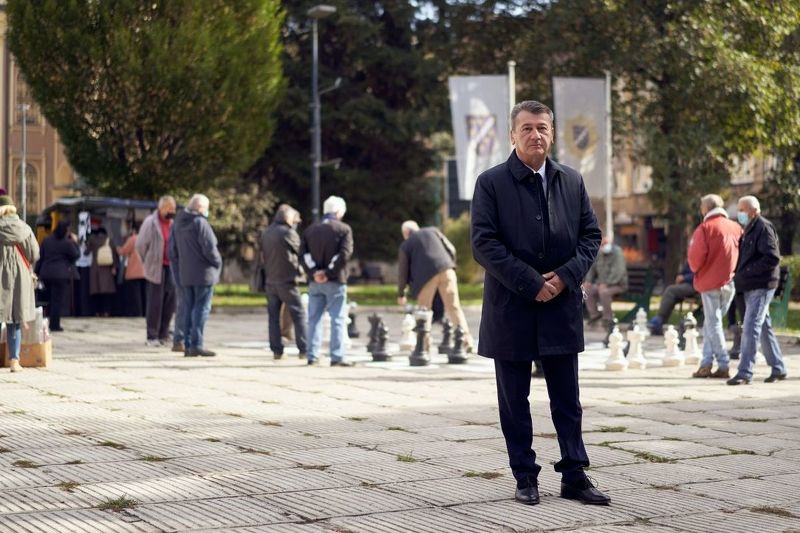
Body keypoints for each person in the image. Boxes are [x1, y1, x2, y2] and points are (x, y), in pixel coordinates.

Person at [471, 100, 608, 506]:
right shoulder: (491, 182)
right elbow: (483, 243)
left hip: (560, 306)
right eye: (527, 128)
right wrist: (530, 282)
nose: (536, 135)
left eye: (543, 128)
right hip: (511, 306)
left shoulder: (572, 180)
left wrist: (565, 277)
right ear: (513, 135)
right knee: (514, 400)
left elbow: (591, 236)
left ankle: (575, 474)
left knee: (567, 397)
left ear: (552, 132)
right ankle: (525, 476)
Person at [728, 195, 787, 385]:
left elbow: (772, 257)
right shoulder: (749, 229)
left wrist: (747, 272)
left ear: (753, 210)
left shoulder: (763, 227)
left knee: (751, 325)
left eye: (742, 210)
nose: (740, 214)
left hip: (761, 285)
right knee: (763, 327)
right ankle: (778, 368)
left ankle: (745, 372)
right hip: (751, 284)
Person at [687, 194, 742, 379]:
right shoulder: (736, 227)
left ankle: (723, 363)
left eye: (702, 206)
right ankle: (705, 364)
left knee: (714, 324)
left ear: (707, 208)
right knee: (712, 324)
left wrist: (697, 271)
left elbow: (695, 259)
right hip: (729, 282)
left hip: (710, 282)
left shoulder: (705, 228)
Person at [397, 220, 473, 351]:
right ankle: (466, 341)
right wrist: (450, 265)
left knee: (424, 311)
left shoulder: (406, 244)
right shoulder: (433, 231)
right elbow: (451, 249)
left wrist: (401, 293)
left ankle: (424, 346)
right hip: (447, 269)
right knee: (454, 307)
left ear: (405, 233)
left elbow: (403, 271)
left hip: (425, 277)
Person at [300, 195, 354, 367]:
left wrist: (315, 272)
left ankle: (312, 355)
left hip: (315, 281)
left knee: (313, 318)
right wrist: (329, 273)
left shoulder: (310, 230)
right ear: (338, 212)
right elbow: (344, 254)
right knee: (337, 318)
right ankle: (336, 356)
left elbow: (303, 255)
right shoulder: (344, 229)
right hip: (335, 280)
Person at [169, 194, 222, 357]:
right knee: (201, 309)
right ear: (200, 208)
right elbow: (210, 249)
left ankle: (187, 344)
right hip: (203, 274)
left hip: (186, 274)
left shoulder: (178, 223)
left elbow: (172, 251)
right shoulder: (200, 223)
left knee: (187, 308)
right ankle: (196, 345)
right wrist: (217, 262)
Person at [260, 204, 307, 360]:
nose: (296, 222)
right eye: (295, 219)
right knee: (299, 314)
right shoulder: (287, 233)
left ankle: (277, 350)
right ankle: (304, 348)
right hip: (286, 280)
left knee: (273, 317)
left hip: (270, 281)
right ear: (287, 218)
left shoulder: (266, 233)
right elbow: (300, 251)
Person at [0, 195, 40, 372]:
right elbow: (34, 254)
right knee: (15, 320)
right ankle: (14, 361)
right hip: (21, 277)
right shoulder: (25, 228)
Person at [136, 196, 177, 347]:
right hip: (155, 267)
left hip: (171, 267)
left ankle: (164, 333)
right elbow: (140, 245)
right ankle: (152, 335)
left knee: (170, 302)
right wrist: (147, 261)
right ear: (161, 208)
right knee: (155, 302)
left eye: (173, 208)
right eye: (169, 208)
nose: (172, 211)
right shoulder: (151, 222)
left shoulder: (173, 224)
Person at [36, 220, 80, 331]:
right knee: (57, 300)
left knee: (50, 299)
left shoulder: (46, 241)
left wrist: (36, 272)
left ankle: (49, 322)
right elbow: (76, 255)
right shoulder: (67, 242)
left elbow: (41, 258)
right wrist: (75, 242)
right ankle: (54, 325)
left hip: (46, 274)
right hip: (60, 275)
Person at [584, 235, 627, 326]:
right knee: (587, 289)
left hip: (618, 284)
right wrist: (588, 280)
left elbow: (618, 271)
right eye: (601, 244)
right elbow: (593, 268)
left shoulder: (617, 252)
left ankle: (608, 318)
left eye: (605, 243)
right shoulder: (599, 253)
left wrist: (607, 283)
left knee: (604, 292)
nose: (603, 246)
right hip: (601, 284)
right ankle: (594, 315)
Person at [647, 262, 697, 335]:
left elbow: (701, 273)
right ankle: (659, 322)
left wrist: (685, 277)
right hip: (689, 283)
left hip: (696, 285)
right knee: (672, 295)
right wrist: (680, 276)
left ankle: (659, 320)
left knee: (670, 291)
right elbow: (685, 270)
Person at [85, 227, 117, 317]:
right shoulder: (109, 240)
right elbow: (114, 254)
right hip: (106, 268)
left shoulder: (92, 240)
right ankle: (106, 312)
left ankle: (97, 312)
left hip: (95, 268)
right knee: (106, 293)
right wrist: (114, 267)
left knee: (96, 293)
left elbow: (86, 252)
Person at [116, 223, 147, 317]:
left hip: (134, 272)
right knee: (144, 294)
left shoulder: (133, 239)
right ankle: (145, 312)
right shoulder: (147, 238)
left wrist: (116, 248)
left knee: (135, 295)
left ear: (134, 230)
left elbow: (123, 251)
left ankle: (137, 313)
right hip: (146, 271)